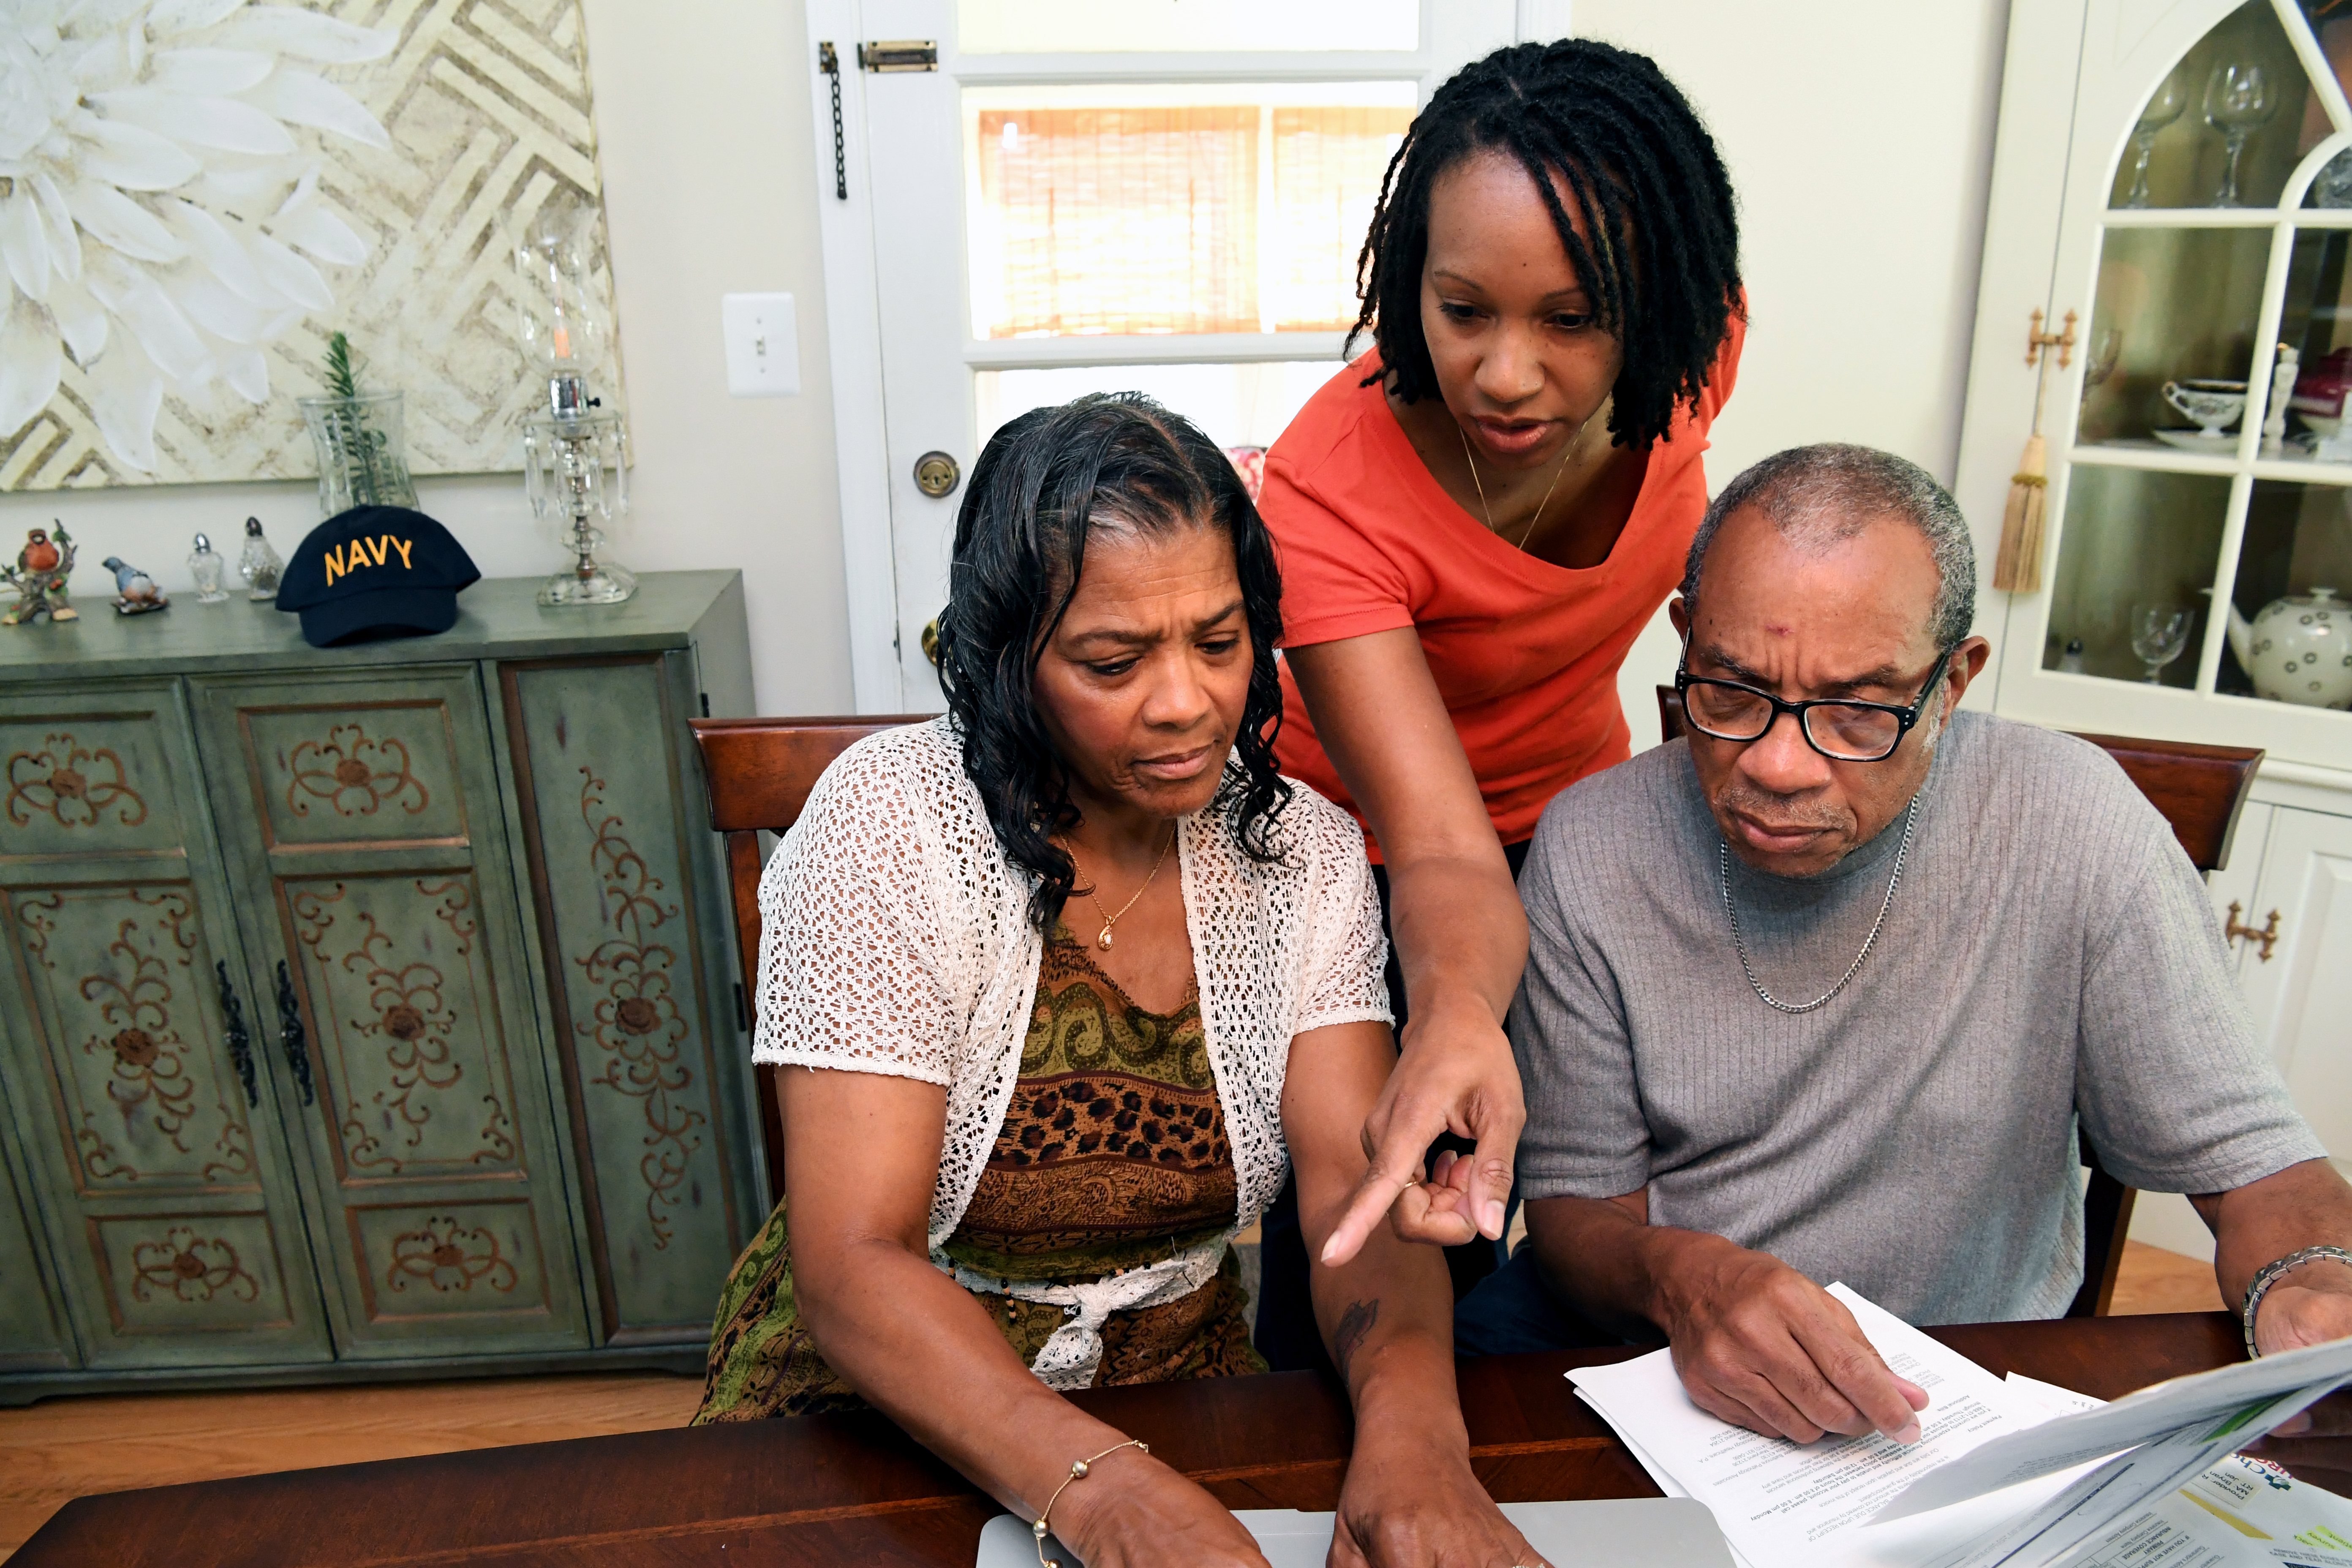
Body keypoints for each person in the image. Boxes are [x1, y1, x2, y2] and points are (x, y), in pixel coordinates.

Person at [695, 395, 1542, 1568]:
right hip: (884, 1410)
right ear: (1010, 660)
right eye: (1113, 659)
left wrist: (1417, 1445)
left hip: (1178, 1395)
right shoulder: (889, 827)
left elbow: (1361, 1199)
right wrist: (1100, 1495)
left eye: (1219, 638)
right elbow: (854, 1262)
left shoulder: (1302, 854)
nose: (1187, 701)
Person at [1457, 442, 2352, 1457]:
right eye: (1732, 692)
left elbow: (2266, 1175)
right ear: (1685, 642)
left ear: (1955, 682)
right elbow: (1577, 1219)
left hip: (1954, 1385)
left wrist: (2309, 1279)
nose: (1779, 764)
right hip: (1657, 1364)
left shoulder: (2074, 823)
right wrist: (1688, 1279)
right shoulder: (1591, 843)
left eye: (1858, 710)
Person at [1258, 37, 1748, 1362]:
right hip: (1357, 855)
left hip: (1573, 816)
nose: (1508, 375)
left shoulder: (1693, 358)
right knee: (1372, 1211)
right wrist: (1459, 1007)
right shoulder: (1330, 491)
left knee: (1529, 1201)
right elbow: (1431, 843)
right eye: (1463, 310)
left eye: (1572, 320)